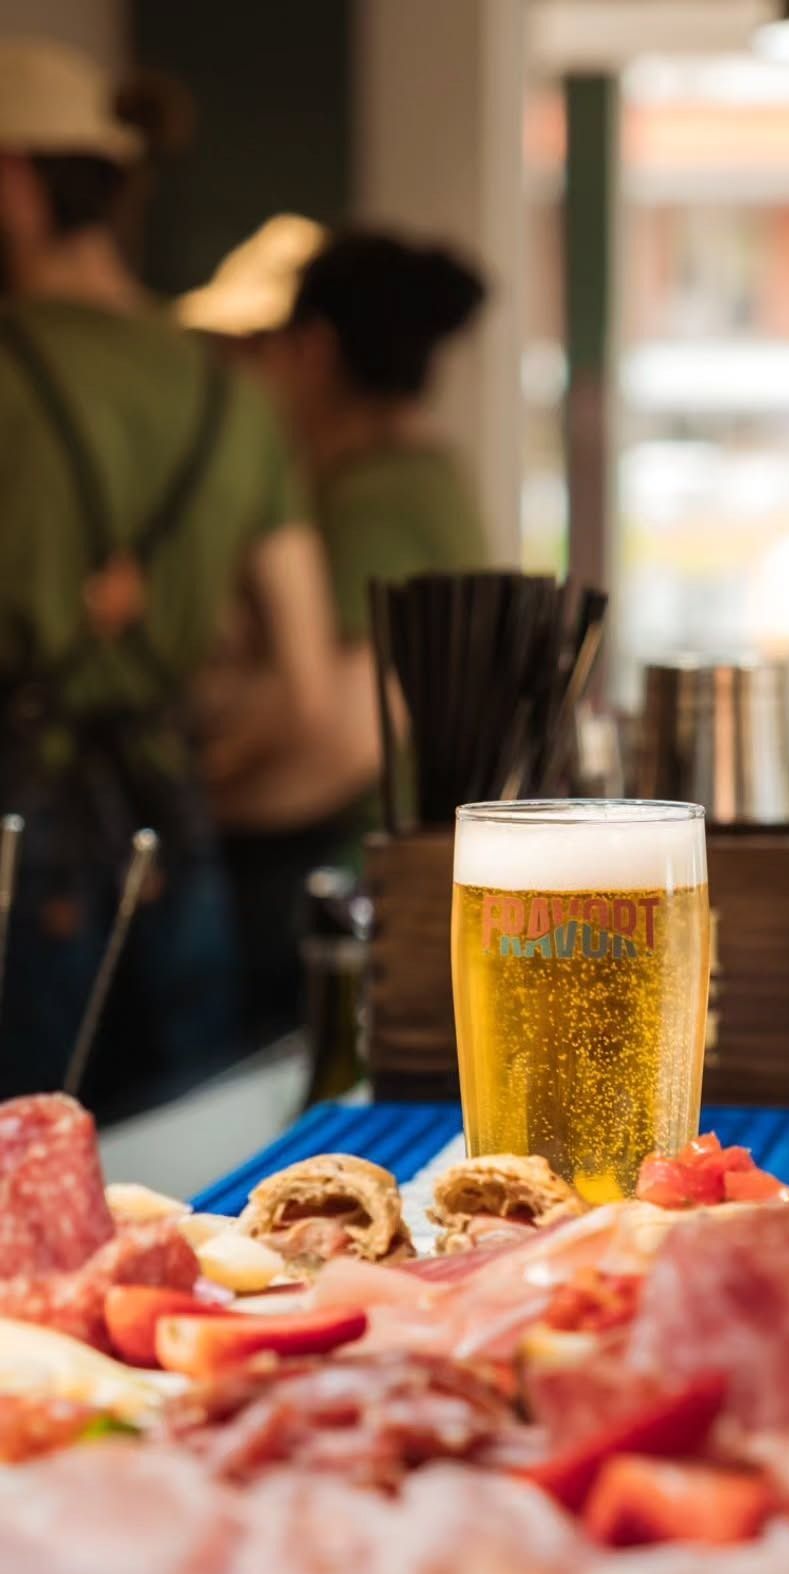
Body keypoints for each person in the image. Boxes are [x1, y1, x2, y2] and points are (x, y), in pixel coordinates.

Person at [0, 39, 337, 1111]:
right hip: (174, 832)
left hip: (14, 833)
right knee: (185, 1175)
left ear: (12, 182)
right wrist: (199, 767)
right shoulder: (228, 391)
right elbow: (312, 684)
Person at [199, 228, 489, 1036]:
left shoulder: (378, 496)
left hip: (342, 872)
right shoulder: (421, 475)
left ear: (312, 349)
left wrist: (206, 791)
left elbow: (356, 722)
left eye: (263, 348)